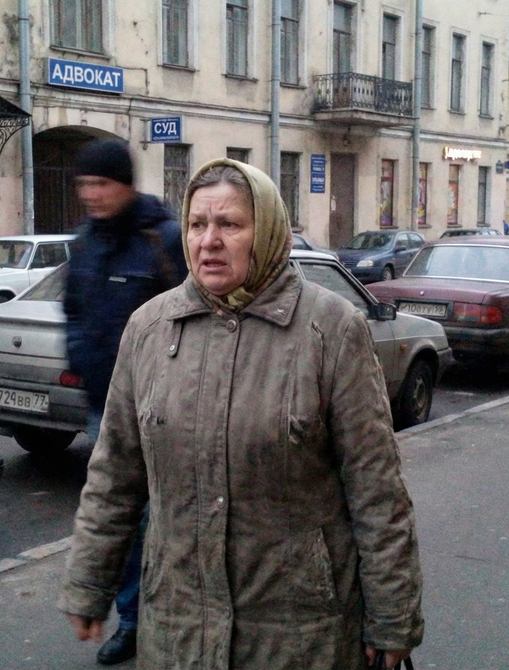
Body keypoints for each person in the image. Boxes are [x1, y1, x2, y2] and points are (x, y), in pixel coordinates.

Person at [59, 159, 424, 669]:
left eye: (229, 224)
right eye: (196, 224)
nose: (208, 241)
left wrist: (392, 616)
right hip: (178, 625)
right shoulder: (150, 328)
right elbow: (114, 473)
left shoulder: (331, 329)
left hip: (299, 631)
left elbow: (375, 487)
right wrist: (89, 582)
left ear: (268, 232)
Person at [62, 138, 187, 665]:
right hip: (105, 409)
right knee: (121, 520)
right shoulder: (85, 242)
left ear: (127, 185)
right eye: (83, 184)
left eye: (101, 183)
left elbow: (194, 316)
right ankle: (133, 620)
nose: (90, 194)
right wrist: (81, 362)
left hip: (163, 409)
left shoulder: (164, 239)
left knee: (166, 521)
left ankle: (176, 617)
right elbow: (74, 311)